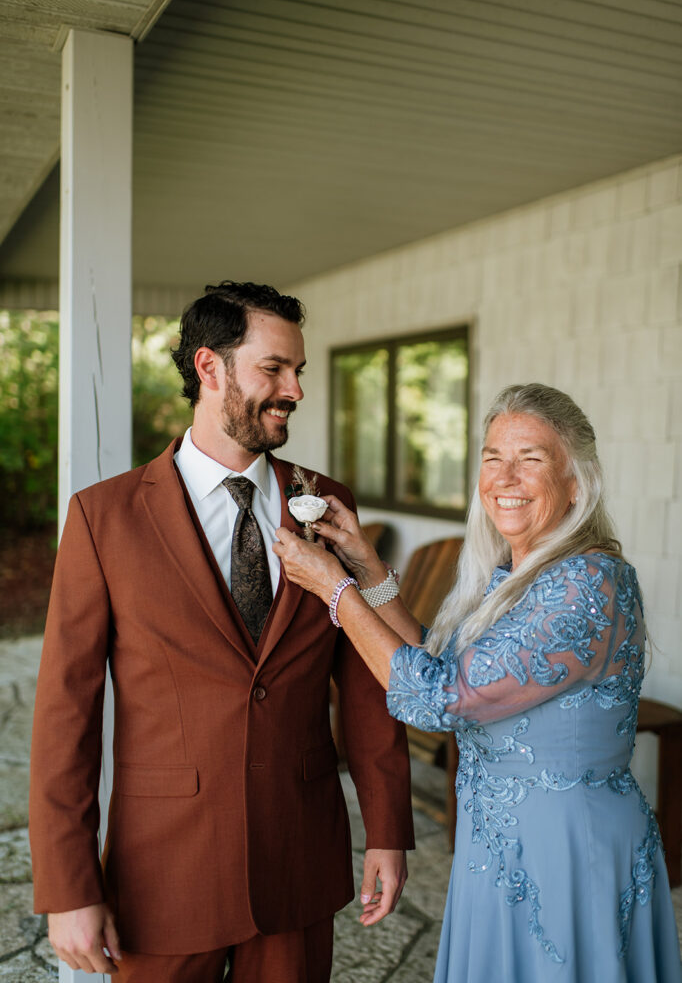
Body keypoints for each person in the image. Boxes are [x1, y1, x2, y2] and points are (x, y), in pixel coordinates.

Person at [29, 280, 414, 983]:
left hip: (297, 856)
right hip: (161, 874)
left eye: (298, 371)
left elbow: (365, 683)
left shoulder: (327, 504)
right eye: (275, 368)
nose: (295, 389)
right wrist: (68, 886)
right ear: (210, 368)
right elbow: (65, 715)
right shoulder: (103, 518)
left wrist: (389, 830)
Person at [275, 382, 682, 983]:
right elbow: (437, 664)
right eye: (493, 458)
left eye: (531, 459)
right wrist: (366, 566)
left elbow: (436, 699)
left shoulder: (587, 583)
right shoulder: (510, 575)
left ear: (577, 481)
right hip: (496, 844)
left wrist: (334, 589)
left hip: (567, 850)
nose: (505, 477)